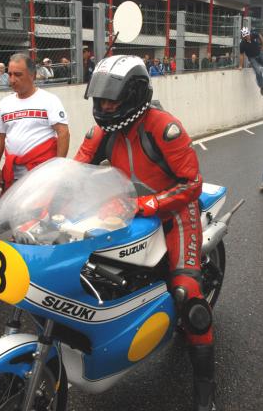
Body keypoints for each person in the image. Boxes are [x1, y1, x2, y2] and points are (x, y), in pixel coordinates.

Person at [74, 55, 216, 411]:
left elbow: (192, 184)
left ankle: (205, 393)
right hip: (127, 210)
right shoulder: (101, 131)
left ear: (135, 95)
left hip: (174, 213)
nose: (104, 106)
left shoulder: (164, 128)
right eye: (100, 99)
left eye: (112, 99)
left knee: (187, 292)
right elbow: (74, 175)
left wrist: (149, 205)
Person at [0, 53, 70, 192]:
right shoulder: (5, 103)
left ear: (32, 75)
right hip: (13, 174)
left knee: (41, 212)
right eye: (10, 74)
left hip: (43, 173)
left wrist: (59, 167)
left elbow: (63, 133)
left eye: (18, 74)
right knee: (15, 212)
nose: (12, 79)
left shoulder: (49, 100)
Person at [239, 27, 263, 96]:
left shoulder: (253, 34)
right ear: (244, 37)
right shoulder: (242, 44)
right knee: (258, 71)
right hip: (252, 58)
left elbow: (259, 35)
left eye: (248, 35)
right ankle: (261, 87)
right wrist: (240, 65)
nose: (248, 37)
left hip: (259, 54)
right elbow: (241, 55)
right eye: (246, 36)